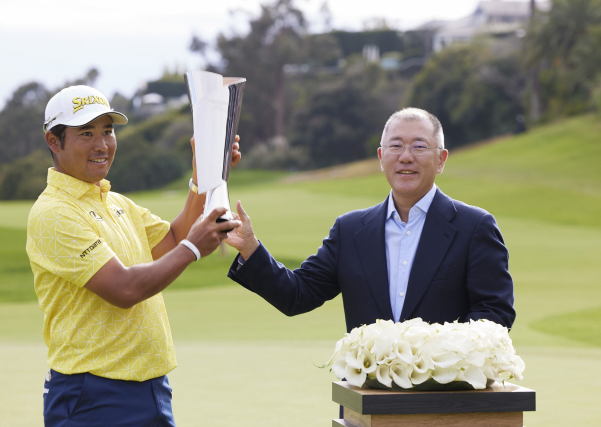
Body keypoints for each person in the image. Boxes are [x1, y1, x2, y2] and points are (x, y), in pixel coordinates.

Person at [26, 85, 241, 427]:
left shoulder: (116, 203)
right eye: (86, 133)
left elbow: (172, 238)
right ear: (54, 141)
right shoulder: (53, 213)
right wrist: (194, 248)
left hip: (151, 387)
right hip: (93, 394)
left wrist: (206, 173)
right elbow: (124, 289)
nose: (102, 144)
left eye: (108, 131)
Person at [225, 107, 515, 334]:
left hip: (444, 399)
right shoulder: (350, 231)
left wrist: (438, 360)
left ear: (441, 160)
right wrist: (250, 248)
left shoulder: (474, 227)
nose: (405, 157)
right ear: (380, 157)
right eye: (395, 146)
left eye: (419, 146)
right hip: (367, 398)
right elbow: (296, 295)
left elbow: (494, 314)